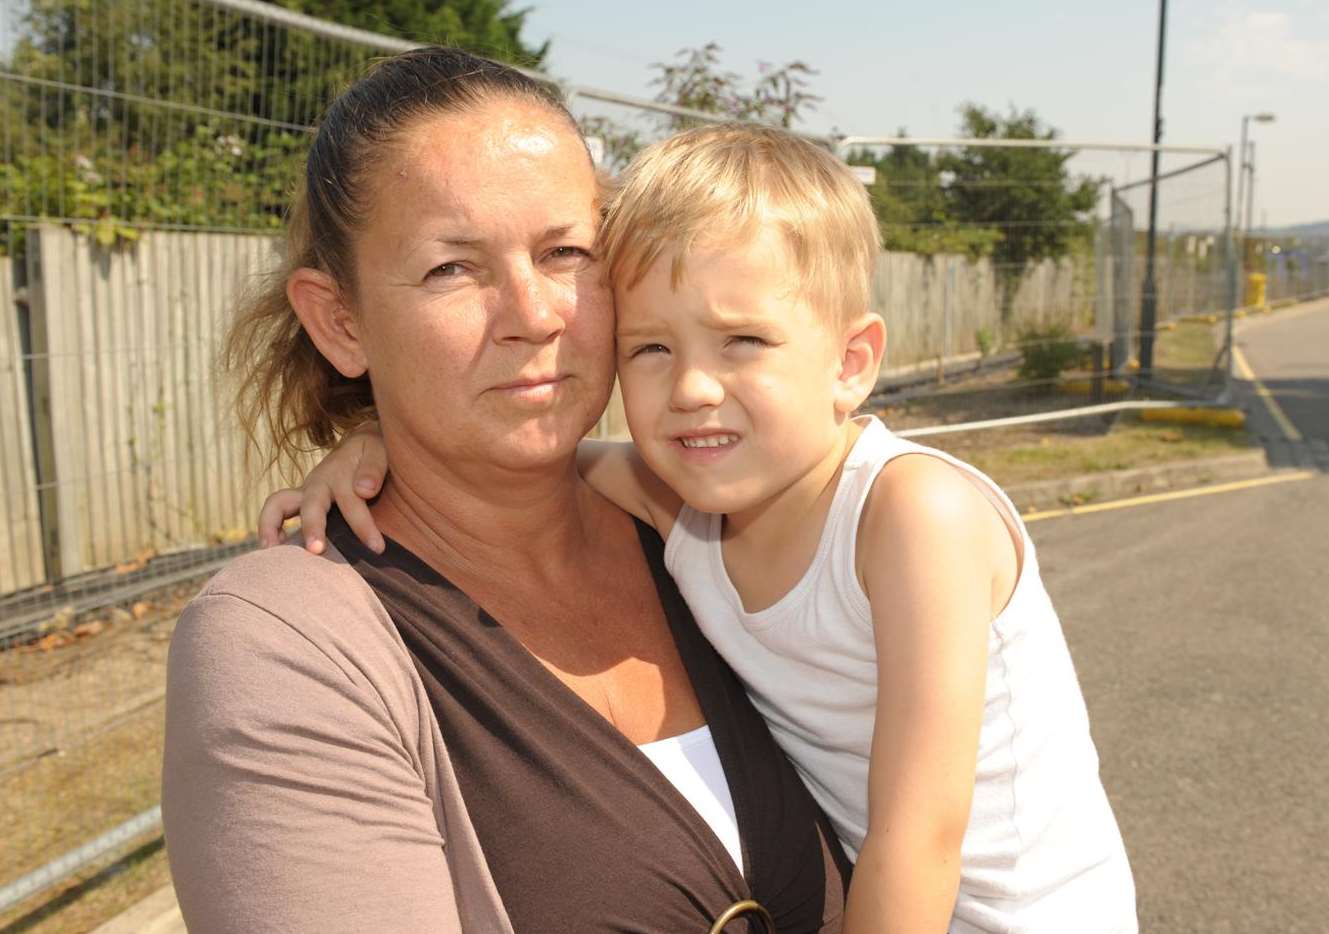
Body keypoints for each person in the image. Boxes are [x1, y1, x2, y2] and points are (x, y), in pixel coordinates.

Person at [268, 124, 1139, 933]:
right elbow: (495, 457)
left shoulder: (914, 517)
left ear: (850, 363)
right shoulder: (670, 496)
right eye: (652, 349)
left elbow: (921, 836)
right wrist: (375, 436)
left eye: (743, 342)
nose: (691, 389)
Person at [163, 48, 852, 934]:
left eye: (567, 250)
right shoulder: (286, 650)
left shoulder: (707, 522)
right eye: (453, 268)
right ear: (340, 322)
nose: (534, 314)